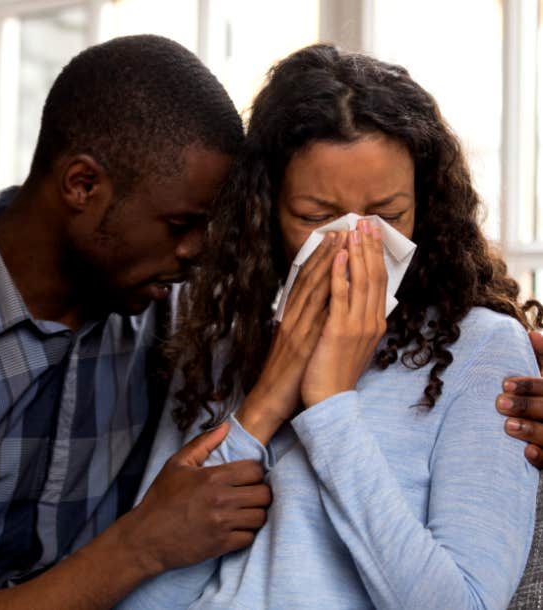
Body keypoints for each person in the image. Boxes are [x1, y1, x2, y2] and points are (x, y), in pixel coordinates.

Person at [116, 44, 543, 609]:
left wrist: (329, 406)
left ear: (427, 207)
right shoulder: (224, 338)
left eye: (389, 215)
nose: (354, 244)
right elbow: (146, 597)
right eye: (316, 217)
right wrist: (266, 402)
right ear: (265, 211)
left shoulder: (482, 350)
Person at [0, 35, 272, 609]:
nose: (198, 252)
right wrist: (143, 545)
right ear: (82, 185)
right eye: (180, 223)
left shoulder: (166, 313)